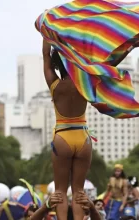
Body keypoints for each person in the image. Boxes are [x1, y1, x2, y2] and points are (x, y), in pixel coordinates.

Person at [42, 39, 94, 220]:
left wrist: (46, 34)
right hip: (83, 138)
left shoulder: (55, 85)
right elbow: (108, 66)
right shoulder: (84, 83)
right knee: (79, 190)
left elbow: (45, 57)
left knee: (60, 191)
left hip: (62, 137)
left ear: (59, 66)